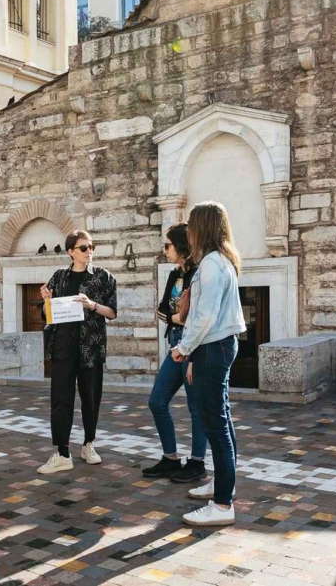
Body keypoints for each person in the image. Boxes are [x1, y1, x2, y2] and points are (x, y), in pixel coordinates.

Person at [171, 202, 247, 527]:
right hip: (215, 347)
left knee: (215, 424)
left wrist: (183, 348)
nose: (188, 231)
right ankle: (222, 486)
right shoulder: (218, 262)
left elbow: (205, 316)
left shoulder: (213, 265)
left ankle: (222, 504)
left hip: (211, 347)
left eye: (191, 225)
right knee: (221, 420)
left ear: (201, 227)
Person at [36, 230, 118, 474]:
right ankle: (62, 452)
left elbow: (112, 312)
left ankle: (88, 444)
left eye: (91, 246)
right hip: (63, 346)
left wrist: (91, 305)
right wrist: (47, 301)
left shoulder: (104, 277)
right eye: (83, 247)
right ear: (71, 251)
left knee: (91, 398)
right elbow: (47, 315)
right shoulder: (59, 277)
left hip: (90, 347)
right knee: (61, 399)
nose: (89, 251)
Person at [143, 224, 209, 484]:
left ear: (181, 246)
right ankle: (170, 459)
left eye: (167, 245)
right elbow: (162, 311)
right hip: (174, 343)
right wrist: (177, 317)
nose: (164, 250)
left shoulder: (199, 274)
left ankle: (197, 462)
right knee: (157, 401)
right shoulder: (174, 275)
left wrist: (178, 318)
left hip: (194, 345)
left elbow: (196, 317)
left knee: (196, 407)